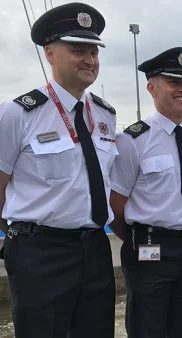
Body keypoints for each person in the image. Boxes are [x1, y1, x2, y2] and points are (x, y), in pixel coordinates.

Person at [0, 3, 116, 337]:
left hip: (95, 247)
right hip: (40, 252)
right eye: (77, 50)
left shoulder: (105, 115)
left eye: (93, 52)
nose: (89, 60)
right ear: (50, 53)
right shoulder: (19, 113)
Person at [109, 47, 182, 337]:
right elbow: (115, 206)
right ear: (152, 88)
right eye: (174, 82)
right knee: (147, 330)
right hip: (149, 250)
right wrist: (141, 238)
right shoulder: (133, 140)